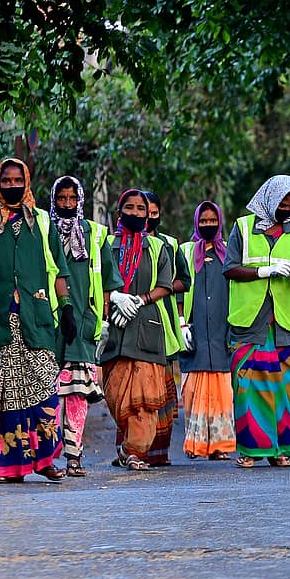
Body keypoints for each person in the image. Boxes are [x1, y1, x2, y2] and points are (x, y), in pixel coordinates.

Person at [0, 157, 74, 483]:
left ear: (26, 182)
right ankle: (9, 467)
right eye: (7, 180)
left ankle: (44, 461)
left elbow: (59, 269)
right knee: (7, 392)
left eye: (17, 180)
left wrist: (67, 307)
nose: (12, 185)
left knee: (44, 387)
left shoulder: (41, 221)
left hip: (37, 318)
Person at [224, 174, 290, 468]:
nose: (288, 211)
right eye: (283, 205)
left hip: (284, 325)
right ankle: (252, 450)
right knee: (248, 387)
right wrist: (264, 272)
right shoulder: (242, 228)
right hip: (249, 321)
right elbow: (230, 269)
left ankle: (284, 451)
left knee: (289, 387)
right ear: (269, 201)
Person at [49, 175, 126, 476]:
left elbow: (108, 279)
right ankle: (50, 456)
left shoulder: (94, 234)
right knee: (52, 393)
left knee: (78, 394)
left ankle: (74, 456)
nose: (67, 204)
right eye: (61, 199)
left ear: (80, 200)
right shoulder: (45, 231)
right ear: (54, 200)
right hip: (51, 323)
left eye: (71, 198)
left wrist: (104, 315)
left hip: (84, 323)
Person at [99, 189, 175, 471]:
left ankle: (134, 451)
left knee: (144, 399)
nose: (135, 213)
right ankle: (127, 447)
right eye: (129, 208)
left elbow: (166, 284)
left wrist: (141, 299)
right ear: (119, 212)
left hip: (147, 327)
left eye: (140, 209)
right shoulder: (106, 245)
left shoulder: (157, 248)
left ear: (148, 214)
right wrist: (115, 298)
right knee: (117, 394)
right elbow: (99, 281)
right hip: (116, 327)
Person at [178, 201, 235, 460]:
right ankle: (196, 443)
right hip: (195, 331)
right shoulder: (186, 251)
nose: (208, 225)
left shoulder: (230, 254)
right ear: (196, 223)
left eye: (213, 221)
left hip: (222, 332)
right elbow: (178, 289)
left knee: (223, 391)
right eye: (204, 221)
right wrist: (180, 322)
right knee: (193, 390)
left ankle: (221, 446)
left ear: (219, 222)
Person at [139, 190, 190, 466]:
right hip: (131, 321)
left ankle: (159, 452)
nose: (148, 217)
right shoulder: (118, 243)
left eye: (153, 212)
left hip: (163, 321)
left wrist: (161, 287)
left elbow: (185, 281)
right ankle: (133, 449)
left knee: (163, 393)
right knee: (134, 391)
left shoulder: (169, 243)